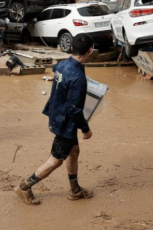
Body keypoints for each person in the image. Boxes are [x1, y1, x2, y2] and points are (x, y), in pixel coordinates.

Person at [14, 33, 95, 205]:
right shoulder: (78, 77)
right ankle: (24, 187)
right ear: (90, 50)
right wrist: (85, 129)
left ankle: (75, 190)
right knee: (55, 160)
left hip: (56, 114)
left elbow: (55, 71)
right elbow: (75, 110)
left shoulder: (63, 65)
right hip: (66, 123)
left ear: (71, 48)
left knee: (73, 153)